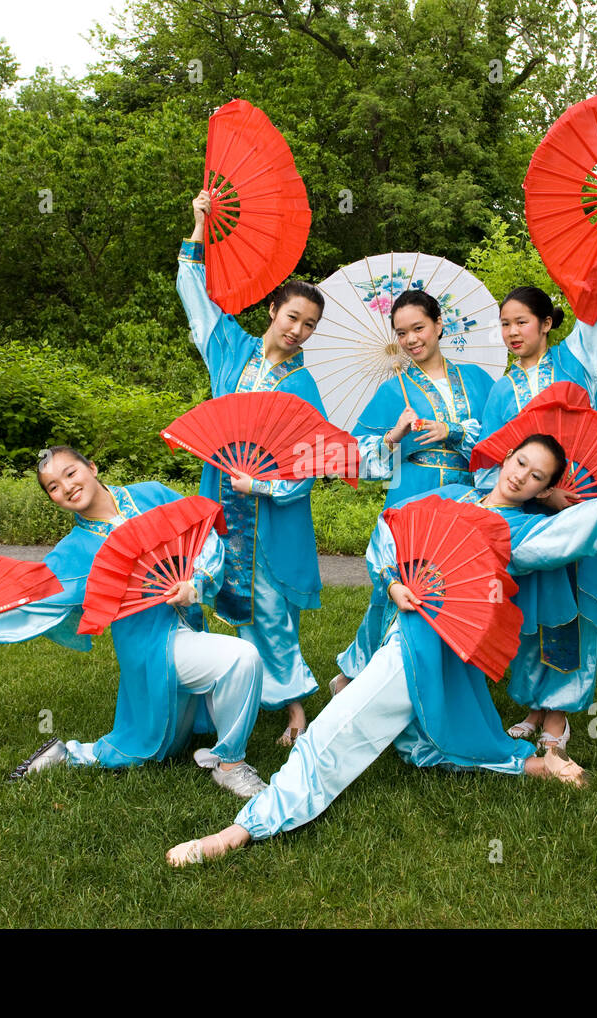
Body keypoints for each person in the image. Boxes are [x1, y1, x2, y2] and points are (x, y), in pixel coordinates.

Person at [165, 436, 597, 865]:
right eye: (520, 462)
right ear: (507, 459)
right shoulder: (451, 494)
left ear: (543, 490)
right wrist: (393, 585)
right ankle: (538, 766)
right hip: (403, 624)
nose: (522, 476)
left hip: (436, 640)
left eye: (537, 477)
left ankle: (244, 829)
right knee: (422, 741)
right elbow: (387, 538)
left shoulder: (523, 533)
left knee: (337, 727)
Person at [0, 446, 267, 797]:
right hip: (148, 645)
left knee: (166, 748)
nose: (66, 487)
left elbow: (202, 530)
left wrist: (198, 582)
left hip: (189, 626)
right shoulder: (76, 550)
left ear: (92, 468)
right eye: (53, 487)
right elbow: (28, 601)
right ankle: (231, 767)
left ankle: (65, 754)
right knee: (241, 658)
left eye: (70, 473)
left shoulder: (151, 494)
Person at [475, 180, 597, 757]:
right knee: (535, 607)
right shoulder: (500, 393)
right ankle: (535, 700)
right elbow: (491, 464)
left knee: (570, 607)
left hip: (581, 509)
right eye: (504, 323)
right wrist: (534, 498)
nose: (511, 331)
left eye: (521, 320)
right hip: (532, 518)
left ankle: (557, 719)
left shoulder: (577, 363)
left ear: (547, 323)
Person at [178, 191, 326, 745]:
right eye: (292, 316)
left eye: (309, 325)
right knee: (210, 591)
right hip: (218, 496)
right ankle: (220, 694)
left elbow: (313, 460)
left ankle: (294, 711)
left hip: (266, 510)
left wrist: (262, 482)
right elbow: (197, 299)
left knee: (269, 608)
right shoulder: (230, 352)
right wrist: (198, 229)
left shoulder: (305, 384)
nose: (297, 330)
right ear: (272, 311)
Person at [328, 289, 497, 694]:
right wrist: (394, 436)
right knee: (399, 584)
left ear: (439, 325)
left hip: (468, 496)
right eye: (401, 333)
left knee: (456, 585)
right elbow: (351, 454)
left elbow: (500, 439)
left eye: (418, 328)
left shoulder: (477, 379)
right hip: (412, 494)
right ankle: (357, 672)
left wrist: (452, 431)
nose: (411, 340)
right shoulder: (393, 391)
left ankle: (442, 677)